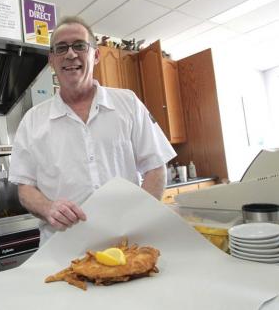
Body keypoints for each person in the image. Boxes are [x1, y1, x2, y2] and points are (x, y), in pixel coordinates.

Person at [9, 16, 176, 244]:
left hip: (127, 243)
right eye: (61, 48)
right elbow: (25, 187)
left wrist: (138, 218)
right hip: (62, 248)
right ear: (52, 60)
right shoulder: (32, 121)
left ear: (96, 55)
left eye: (79, 45)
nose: (70, 54)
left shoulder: (128, 103)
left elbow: (156, 167)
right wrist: (48, 208)